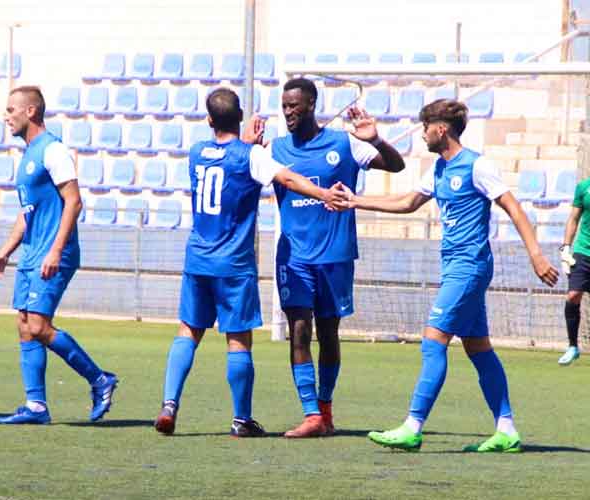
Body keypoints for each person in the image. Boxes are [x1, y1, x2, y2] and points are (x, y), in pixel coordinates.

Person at [333, 98, 558, 452]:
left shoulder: (476, 165)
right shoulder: (437, 169)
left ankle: (412, 425)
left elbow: (513, 207)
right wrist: (356, 202)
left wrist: (536, 255)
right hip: (455, 267)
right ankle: (507, 429)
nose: (423, 135)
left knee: (432, 340)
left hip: (469, 266)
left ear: (441, 129)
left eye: (425, 128)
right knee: (478, 348)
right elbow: (408, 202)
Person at [154, 87, 349, 437]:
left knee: (188, 330)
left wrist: (243, 143)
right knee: (238, 340)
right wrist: (322, 193)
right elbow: (286, 177)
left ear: (209, 120)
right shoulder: (250, 157)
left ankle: (169, 405)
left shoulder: (197, 152)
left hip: (197, 259)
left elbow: (225, 155)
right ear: (241, 115)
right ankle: (241, 419)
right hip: (233, 265)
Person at [268, 77, 405, 438]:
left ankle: (325, 412)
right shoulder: (275, 149)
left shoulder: (345, 144)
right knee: (298, 328)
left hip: (335, 255)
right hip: (293, 256)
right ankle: (311, 414)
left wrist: (374, 139)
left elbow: (396, 166)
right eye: (284, 106)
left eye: (293, 106)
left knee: (328, 332)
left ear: (311, 104)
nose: (288, 112)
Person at [0, 86, 117, 425]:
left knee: (40, 326)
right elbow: (26, 213)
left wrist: (56, 250)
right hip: (32, 253)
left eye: (11, 109)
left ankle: (100, 379)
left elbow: (74, 201)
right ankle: (36, 406)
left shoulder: (53, 150)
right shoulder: (28, 156)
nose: (6, 116)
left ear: (30, 112)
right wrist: (4, 253)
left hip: (53, 253)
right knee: (25, 326)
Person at [556, 179, 590, 365]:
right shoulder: (584, 187)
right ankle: (572, 346)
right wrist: (566, 247)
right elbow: (574, 218)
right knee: (573, 295)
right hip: (583, 251)